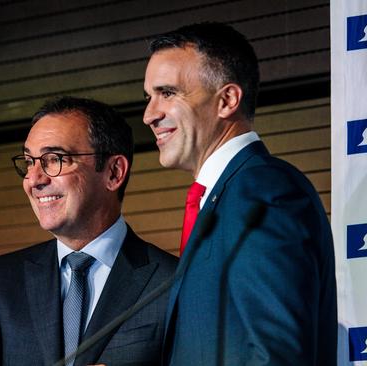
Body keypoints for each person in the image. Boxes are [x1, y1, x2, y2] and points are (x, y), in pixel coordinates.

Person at [143, 22, 337, 365]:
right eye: (149, 97)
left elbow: (276, 354)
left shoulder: (263, 191)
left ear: (227, 100)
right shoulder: (226, 195)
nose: (149, 115)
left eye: (168, 93)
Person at [0, 97, 178, 366]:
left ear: (114, 173)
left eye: (54, 159)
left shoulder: (172, 282)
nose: (34, 179)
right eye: (29, 161)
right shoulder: (0, 281)